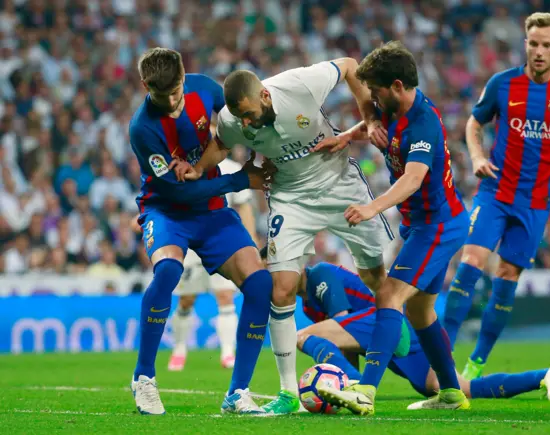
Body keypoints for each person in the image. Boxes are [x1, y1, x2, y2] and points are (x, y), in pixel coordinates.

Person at [184, 56, 404, 415]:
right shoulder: (231, 119)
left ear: (266, 96)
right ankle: (288, 394)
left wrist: (370, 117)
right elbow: (221, 146)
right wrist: (197, 170)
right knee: (281, 288)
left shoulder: (300, 84)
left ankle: (378, 373)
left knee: (377, 280)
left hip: (339, 186)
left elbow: (349, 65)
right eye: (242, 118)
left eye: (251, 114)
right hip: (290, 197)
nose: (248, 124)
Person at [442, 12, 550, 380]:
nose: (539, 51)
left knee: (506, 276)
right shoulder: (502, 84)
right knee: (469, 262)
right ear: (525, 44)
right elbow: (474, 122)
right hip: (495, 191)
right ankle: (443, 357)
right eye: (533, 43)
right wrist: (479, 157)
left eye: (547, 45)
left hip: (535, 202)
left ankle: (477, 362)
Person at [316, 41, 471, 414]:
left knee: (387, 295)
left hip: (439, 226)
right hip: (424, 226)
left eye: (377, 91)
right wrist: (347, 136)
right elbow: (373, 124)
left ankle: (365, 392)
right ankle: (451, 393)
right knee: (420, 313)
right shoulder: (392, 109)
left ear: (398, 86)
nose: (371, 98)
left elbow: (414, 178)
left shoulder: (423, 122)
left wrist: (373, 207)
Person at [128, 47, 272, 415]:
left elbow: (239, 123)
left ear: (184, 74)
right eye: (165, 96)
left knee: (259, 284)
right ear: (146, 86)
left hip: (210, 211)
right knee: (169, 271)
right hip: (166, 210)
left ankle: (238, 393)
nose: (174, 101)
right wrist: (240, 179)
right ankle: (144, 378)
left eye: (177, 89)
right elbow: (178, 189)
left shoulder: (206, 88)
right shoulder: (143, 129)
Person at [284, 252, 550, 405]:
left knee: (304, 335)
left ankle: (352, 387)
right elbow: (348, 340)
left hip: (388, 321)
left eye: (277, 273)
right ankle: (545, 376)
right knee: (455, 388)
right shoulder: (308, 301)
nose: (275, 282)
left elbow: (343, 325)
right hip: (402, 327)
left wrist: (347, 381)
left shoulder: (319, 275)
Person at [168, 157, 258, 372]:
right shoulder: (183, 166)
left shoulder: (231, 168)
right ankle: (179, 349)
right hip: (190, 242)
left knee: (226, 295)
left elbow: (243, 206)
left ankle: (228, 352)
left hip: (222, 241)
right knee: (186, 300)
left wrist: (250, 240)